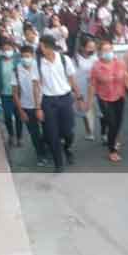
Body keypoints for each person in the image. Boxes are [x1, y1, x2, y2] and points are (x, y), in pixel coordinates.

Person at [32, 34, 83, 173]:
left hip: (65, 99)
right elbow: (36, 86)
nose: (40, 48)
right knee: (52, 133)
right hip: (48, 102)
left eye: (41, 46)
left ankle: (67, 148)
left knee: (68, 132)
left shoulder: (64, 59)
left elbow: (72, 80)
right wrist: (38, 108)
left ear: (47, 46)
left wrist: (79, 98)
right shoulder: (37, 63)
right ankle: (58, 163)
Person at [87, 40, 128, 163]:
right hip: (105, 98)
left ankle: (114, 138)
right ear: (100, 53)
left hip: (119, 97)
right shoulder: (96, 67)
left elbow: (126, 80)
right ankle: (112, 150)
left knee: (118, 123)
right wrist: (89, 102)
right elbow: (92, 85)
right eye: (105, 50)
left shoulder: (120, 63)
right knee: (112, 124)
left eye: (110, 49)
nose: (108, 53)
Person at [12, 45, 48, 165]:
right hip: (26, 107)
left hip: (43, 104)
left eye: (27, 56)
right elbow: (15, 93)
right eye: (22, 57)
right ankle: (41, 155)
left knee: (49, 130)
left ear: (32, 56)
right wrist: (21, 111)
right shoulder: (16, 70)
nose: (25, 59)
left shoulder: (40, 66)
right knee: (34, 133)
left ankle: (47, 147)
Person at [73, 38, 103, 142]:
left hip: (97, 87)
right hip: (82, 88)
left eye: (93, 47)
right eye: (89, 47)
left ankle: (104, 133)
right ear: (82, 47)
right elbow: (72, 76)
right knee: (85, 111)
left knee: (101, 110)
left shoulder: (96, 57)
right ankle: (89, 131)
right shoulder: (75, 59)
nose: (92, 49)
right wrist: (76, 93)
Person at [0, 41, 22, 147]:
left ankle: (19, 137)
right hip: (5, 94)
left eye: (8, 49)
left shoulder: (18, 59)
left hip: (18, 94)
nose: (7, 51)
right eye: (4, 49)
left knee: (19, 116)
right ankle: (11, 135)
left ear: (13, 49)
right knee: (7, 116)